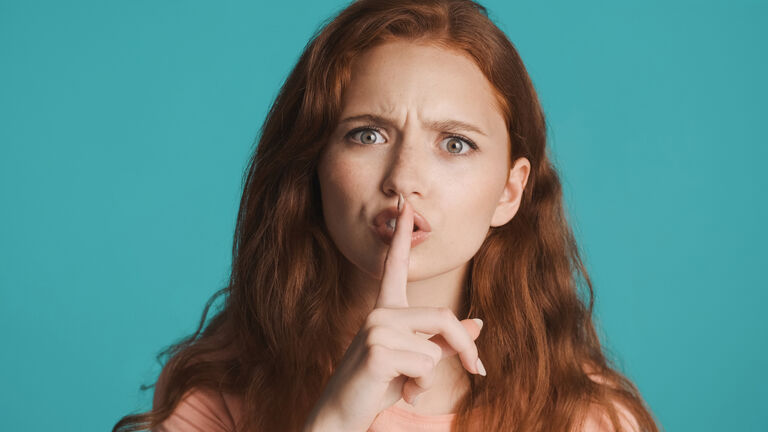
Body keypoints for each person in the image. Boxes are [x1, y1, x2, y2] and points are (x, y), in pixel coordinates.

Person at [113, 0, 660, 430]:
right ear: (315, 166)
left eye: (455, 144)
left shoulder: (588, 418)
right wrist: (334, 420)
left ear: (509, 193)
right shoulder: (216, 392)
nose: (404, 178)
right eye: (367, 134)